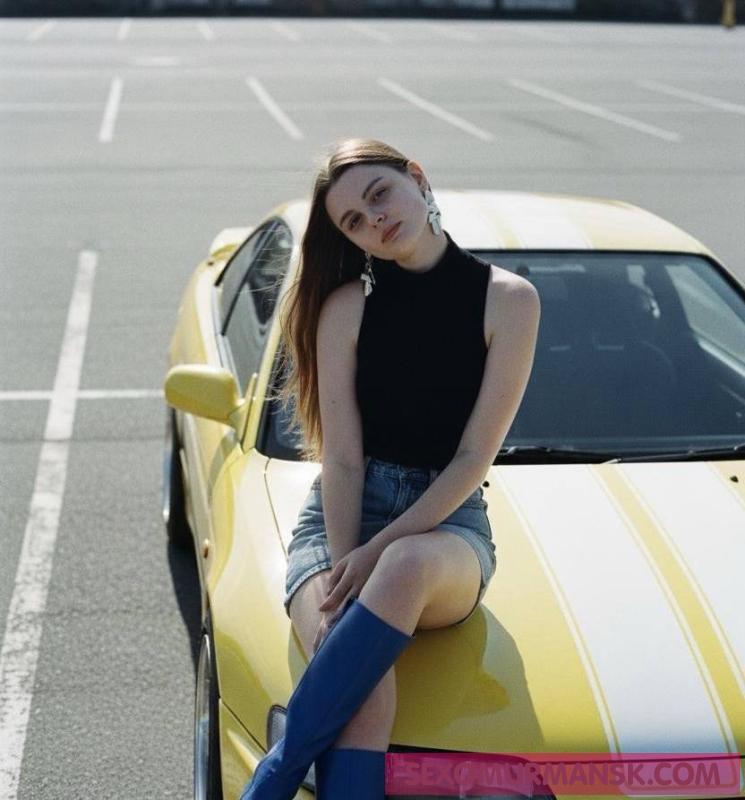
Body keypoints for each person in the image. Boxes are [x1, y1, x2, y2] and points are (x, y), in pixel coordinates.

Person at [239, 138, 541, 799]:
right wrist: (346, 563)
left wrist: (376, 554)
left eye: (379, 194)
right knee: (364, 695)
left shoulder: (509, 301)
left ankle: (275, 775)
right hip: (338, 521)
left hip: (447, 527)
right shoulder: (345, 309)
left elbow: (472, 459)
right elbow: (343, 459)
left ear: (417, 179)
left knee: (402, 564)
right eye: (354, 220)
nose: (374, 218)